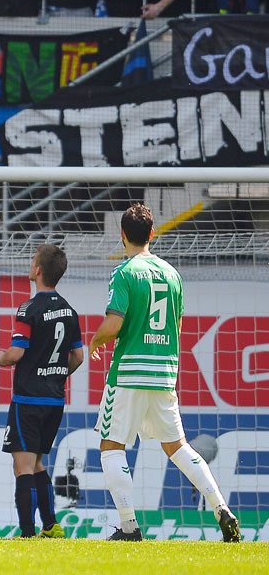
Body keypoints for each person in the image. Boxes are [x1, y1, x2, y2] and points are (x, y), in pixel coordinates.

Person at [89, 203, 241, 542]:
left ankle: (129, 529)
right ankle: (221, 508)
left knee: (112, 447)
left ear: (123, 235)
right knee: (179, 447)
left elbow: (114, 323)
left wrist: (95, 340)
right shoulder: (173, 274)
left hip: (129, 373)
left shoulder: (125, 272)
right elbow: (177, 324)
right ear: (153, 233)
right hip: (163, 373)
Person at [0, 245, 84, 538]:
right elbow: (78, 357)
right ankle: (50, 525)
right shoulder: (70, 311)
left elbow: (17, 353)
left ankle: (26, 534)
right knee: (38, 463)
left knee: (22, 469)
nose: (30, 265)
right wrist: (56, 375)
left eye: (32, 261)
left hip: (27, 400)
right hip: (54, 401)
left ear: (39, 271)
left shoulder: (28, 309)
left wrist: (1, 358)